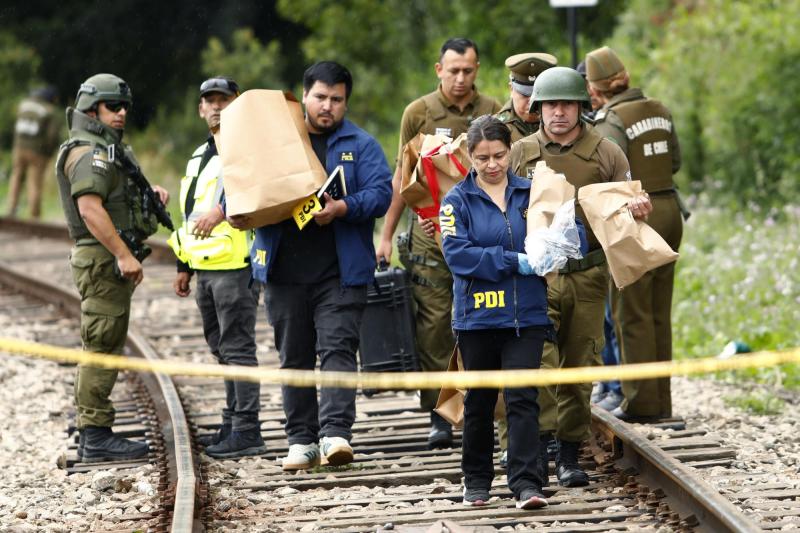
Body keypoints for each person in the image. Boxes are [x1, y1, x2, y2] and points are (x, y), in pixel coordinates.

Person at [231, 61, 392, 471]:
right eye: (320, 97)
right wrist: (236, 210)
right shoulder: (277, 140)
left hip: (341, 273)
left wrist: (343, 207)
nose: (327, 106)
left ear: (346, 102)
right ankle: (301, 440)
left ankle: (335, 434)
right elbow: (240, 185)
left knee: (338, 350)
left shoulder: (362, 144)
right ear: (303, 96)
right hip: (283, 273)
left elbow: (381, 194)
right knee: (294, 358)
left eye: (336, 99)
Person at [509, 66, 652, 487]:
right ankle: (539, 450)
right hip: (535, 277)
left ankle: (569, 454)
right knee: (538, 365)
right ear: (538, 108)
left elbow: (627, 212)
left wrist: (638, 210)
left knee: (580, 366)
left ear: (581, 107)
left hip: (587, 274)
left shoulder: (607, 153)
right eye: (551, 105)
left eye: (567, 105)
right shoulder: (519, 153)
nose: (559, 113)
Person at [441, 115, 582, 509]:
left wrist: (560, 246)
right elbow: (458, 255)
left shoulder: (533, 192)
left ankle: (527, 484)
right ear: (469, 157)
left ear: (510, 152)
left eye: (500, 155)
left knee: (523, 399)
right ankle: (476, 482)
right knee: (480, 403)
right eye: (483, 158)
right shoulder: (456, 202)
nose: (492, 165)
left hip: (527, 317)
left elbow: (573, 232)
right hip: (478, 319)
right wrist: (513, 260)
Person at [376, 38, 501, 449]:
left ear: (477, 69)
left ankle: (482, 409)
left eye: (467, 70)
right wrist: (386, 234)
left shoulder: (493, 109)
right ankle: (439, 414)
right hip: (431, 238)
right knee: (433, 327)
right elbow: (402, 176)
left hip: (481, 235)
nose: (460, 78)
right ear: (439, 70)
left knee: (484, 323)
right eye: (453, 71)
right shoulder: (419, 112)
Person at [55, 73, 170, 462]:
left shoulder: (101, 149)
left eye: (124, 107)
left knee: (103, 339)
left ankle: (91, 428)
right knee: (103, 342)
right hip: (103, 259)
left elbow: (111, 201)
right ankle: (96, 436)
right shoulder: (89, 153)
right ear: (92, 111)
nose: (121, 113)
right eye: (112, 106)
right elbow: (90, 209)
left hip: (103, 258)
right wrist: (123, 254)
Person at [168, 76, 266, 459]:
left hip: (235, 265)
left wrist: (222, 212)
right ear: (200, 109)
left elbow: (257, 191)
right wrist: (183, 264)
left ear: (236, 104)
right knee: (222, 349)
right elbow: (189, 213)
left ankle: (247, 429)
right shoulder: (199, 155)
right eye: (210, 101)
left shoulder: (248, 148)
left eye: (223, 100)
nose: (216, 107)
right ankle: (232, 420)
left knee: (238, 348)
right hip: (205, 267)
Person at [586, 46, 682, 420]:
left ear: (594, 89)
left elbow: (610, 172)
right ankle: (662, 401)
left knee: (631, 313)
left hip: (637, 216)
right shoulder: (660, 109)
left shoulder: (612, 120)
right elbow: (676, 162)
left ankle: (640, 403)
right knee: (658, 312)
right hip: (670, 210)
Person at [8, 85, 61, 218]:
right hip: (37, 151)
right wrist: (48, 152)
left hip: (18, 148)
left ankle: (11, 209)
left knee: (16, 177)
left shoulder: (23, 105)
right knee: (34, 182)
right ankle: (34, 216)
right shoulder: (49, 110)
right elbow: (52, 136)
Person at [495, 53, 557, 143]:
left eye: (538, 94)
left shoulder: (564, 122)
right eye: (525, 94)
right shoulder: (495, 128)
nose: (531, 101)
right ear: (511, 89)